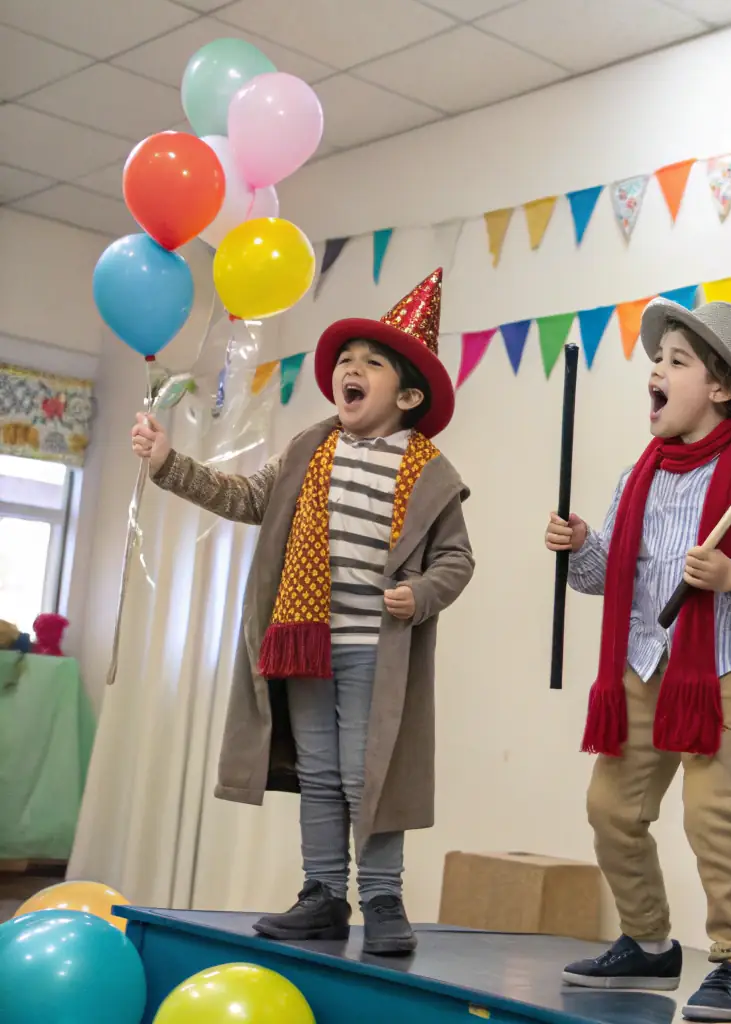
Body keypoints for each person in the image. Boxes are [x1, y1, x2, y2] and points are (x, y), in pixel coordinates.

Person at [131, 269, 475, 957]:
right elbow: (243, 497)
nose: (351, 370)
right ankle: (322, 894)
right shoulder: (308, 451)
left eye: (371, 364)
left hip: (377, 653)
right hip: (304, 645)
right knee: (319, 773)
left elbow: (456, 561)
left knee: (366, 775)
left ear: (407, 395)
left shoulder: (430, 473)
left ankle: (381, 897)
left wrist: (422, 595)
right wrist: (171, 464)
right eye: (346, 362)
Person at [545, 299, 731, 1022]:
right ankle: (646, 940)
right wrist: (582, 547)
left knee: (710, 812)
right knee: (610, 807)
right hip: (644, 660)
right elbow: (612, 577)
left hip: (726, 667)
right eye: (655, 361)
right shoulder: (640, 477)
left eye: (675, 362)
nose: (654, 374)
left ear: (721, 388)